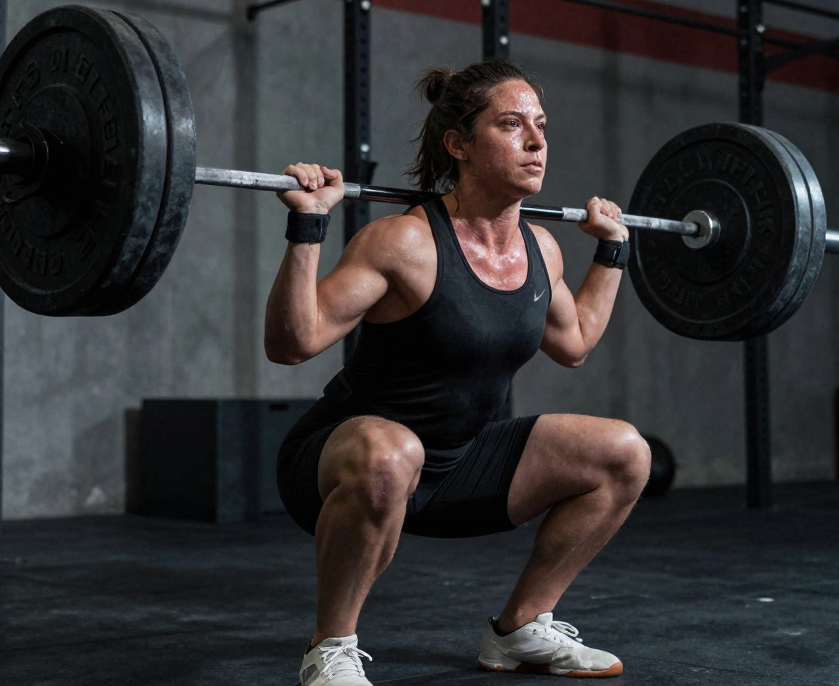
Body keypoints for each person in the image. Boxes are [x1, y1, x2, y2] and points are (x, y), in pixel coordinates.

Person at [265, 60, 650, 685]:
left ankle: (521, 628)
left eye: (541, 127)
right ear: (459, 145)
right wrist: (307, 225)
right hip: (351, 460)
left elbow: (574, 343)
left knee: (624, 453)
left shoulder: (540, 248)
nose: (536, 141)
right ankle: (329, 648)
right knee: (394, 452)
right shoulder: (404, 243)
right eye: (511, 125)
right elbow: (292, 342)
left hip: (460, 463)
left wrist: (612, 252)